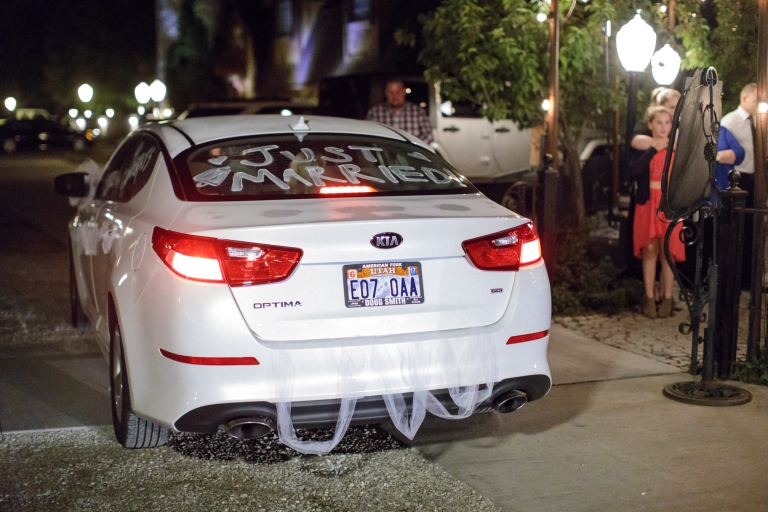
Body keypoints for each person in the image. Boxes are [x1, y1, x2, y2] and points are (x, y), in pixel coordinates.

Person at [630, 106, 686, 318]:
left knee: (668, 251)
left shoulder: (677, 149)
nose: (663, 127)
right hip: (648, 203)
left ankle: (668, 299)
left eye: (667, 122)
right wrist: (653, 149)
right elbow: (633, 171)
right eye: (659, 122)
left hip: (669, 204)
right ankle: (649, 298)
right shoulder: (645, 148)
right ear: (650, 125)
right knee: (650, 249)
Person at [719, 83, 758, 289]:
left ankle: (748, 277)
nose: (760, 104)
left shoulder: (760, 121)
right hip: (737, 178)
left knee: (753, 226)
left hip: (755, 177)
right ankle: (732, 276)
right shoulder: (730, 121)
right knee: (736, 227)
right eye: (756, 99)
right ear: (744, 98)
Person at [366, 78, 434, 144]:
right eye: (391, 92)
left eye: (398, 92)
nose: (395, 96)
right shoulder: (374, 113)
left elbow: (428, 135)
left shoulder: (418, 112)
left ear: (403, 91)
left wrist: (414, 148)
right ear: (386, 93)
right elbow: (367, 136)